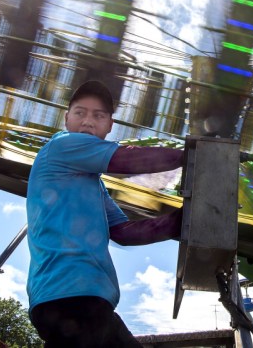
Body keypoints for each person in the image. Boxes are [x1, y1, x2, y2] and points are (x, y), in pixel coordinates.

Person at [27, 80, 184, 347]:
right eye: (80, 113)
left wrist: (180, 221)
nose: (88, 122)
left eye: (98, 116)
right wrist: (191, 154)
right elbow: (127, 160)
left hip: (81, 302)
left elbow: (123, 232)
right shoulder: (61, 146)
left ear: (110, 125)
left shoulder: (94, 186)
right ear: (66, 119)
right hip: (70, 298)